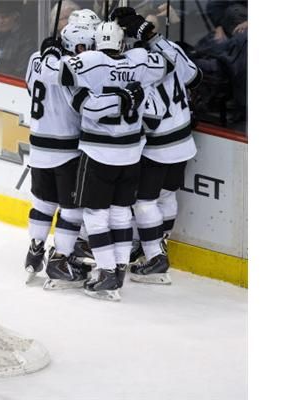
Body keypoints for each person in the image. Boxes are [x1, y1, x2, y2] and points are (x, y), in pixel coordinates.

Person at [56, 20, 170, 301]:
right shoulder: (139, 61)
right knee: (121, 212)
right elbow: (165, 64)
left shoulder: (90, 60)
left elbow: (67, 75)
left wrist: (108, 94)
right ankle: (118, 268)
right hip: (131, 153)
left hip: (98, 154)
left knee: (95, 215)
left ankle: (106, 271)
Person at [25, 21, 132, 290]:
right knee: (72, 211)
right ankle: (60, 260)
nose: (89, 51)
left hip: (38, 144)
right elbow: (83, 105)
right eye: (85, 46)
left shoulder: (36, 58)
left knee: (43, 204)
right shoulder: (73, 67)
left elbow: (30, 86)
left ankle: (34, 252)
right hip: (67, 149)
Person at [111, 7, 202, 285]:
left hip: (159, 147)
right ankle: (158, 244)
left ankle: (155, 257)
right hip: (184, 141)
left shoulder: (137, 63)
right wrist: (153, 36)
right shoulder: (168, 47)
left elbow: (149, 117)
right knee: (165, 195)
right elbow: (194, 77)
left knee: (143, 202)